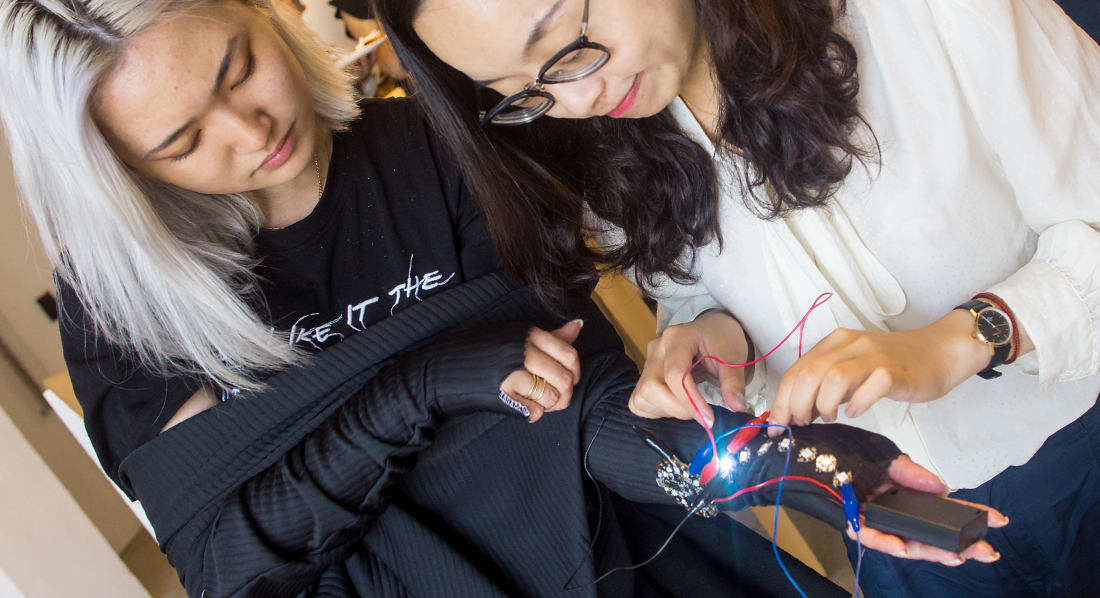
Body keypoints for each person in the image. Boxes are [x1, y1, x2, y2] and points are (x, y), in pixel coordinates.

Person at [0, 1, 1000, 597]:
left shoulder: (435, 150)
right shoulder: (126, 317)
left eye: (239, 66)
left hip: (614, 556)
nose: (251, 126)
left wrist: (779, 465)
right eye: (183, 140)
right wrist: (420, 386)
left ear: (263, 13)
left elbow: (595, 401)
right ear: (125, 173)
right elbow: (233, 566)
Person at [372, 0, 1100, 595]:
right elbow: (700, 295)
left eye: (566, 44)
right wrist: (713, 336)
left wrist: (960, 338)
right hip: (903, 517)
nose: (576, 97)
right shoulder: (613, 158)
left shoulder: (915, 18)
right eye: (524, 91)